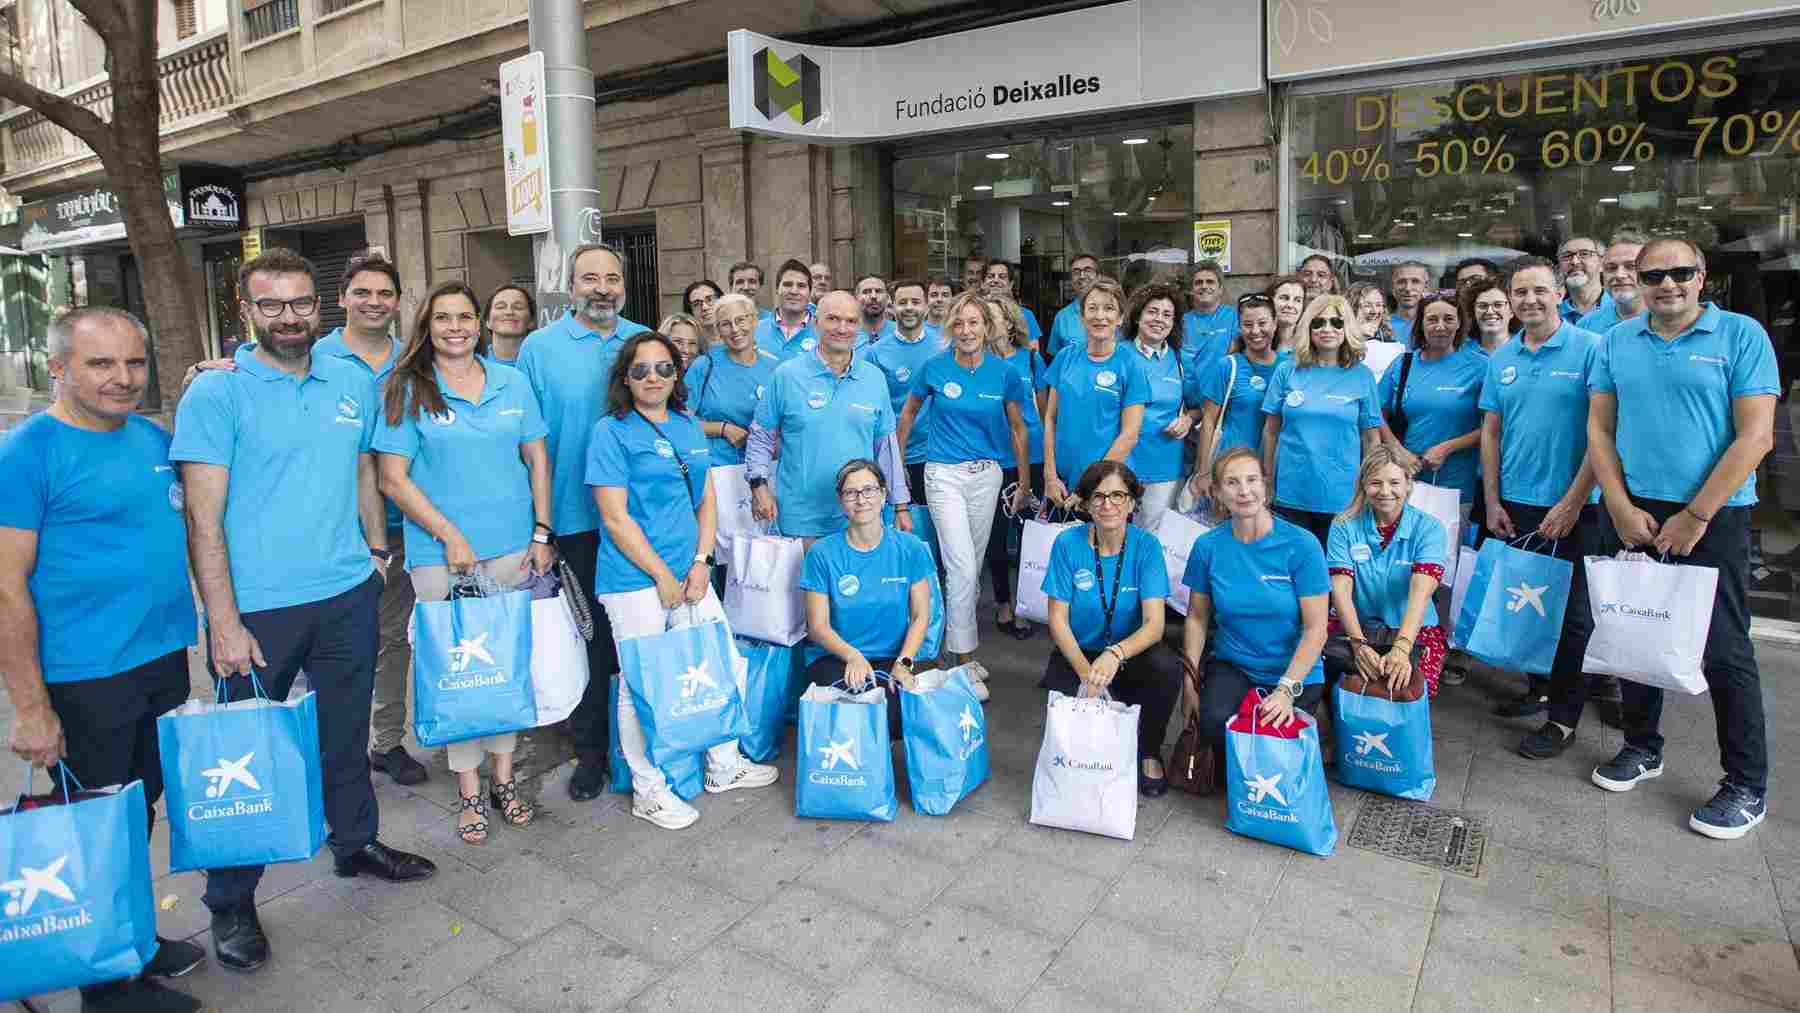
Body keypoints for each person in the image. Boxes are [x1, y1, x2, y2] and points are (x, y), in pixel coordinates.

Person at [171, 249, 436, 974]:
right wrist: (222, 621)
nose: (288, 317)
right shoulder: (216, 394)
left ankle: (355, 843)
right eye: (271, 305)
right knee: (247, 759)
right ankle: (231, 901)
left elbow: (361, 469)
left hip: (347, 590)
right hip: (258, 612)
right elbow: (202, 517)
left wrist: (376, 553)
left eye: (298, 304)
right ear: (244, 310)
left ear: (316, 308)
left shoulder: (347, 377)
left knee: (345, 736)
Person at [2, 308, 207, 1012]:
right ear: (59, 367)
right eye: (101, 364)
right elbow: (5, 586)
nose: (123, 378)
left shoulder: (151, 437)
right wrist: (30, 707)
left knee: (137, 810)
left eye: (134, 363)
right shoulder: (28, 452)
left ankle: (134, 938)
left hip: (160, 663)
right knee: (90, 824)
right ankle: (105, 984)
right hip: (85, 677)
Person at [1587, 237, 1778, 839]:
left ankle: (1746, 785)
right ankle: (1643, 745)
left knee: (1725, 650)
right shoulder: (1618, 341)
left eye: (1679, 273)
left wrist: (1696, 515)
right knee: (1635, 630)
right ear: (1637, 281)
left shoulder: (1742, 336)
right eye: (1652, 275)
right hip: (1636, 508)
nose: (1666, 285)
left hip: (1713, 514)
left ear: (1702, 277)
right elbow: (1598, 425)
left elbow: (1756, 438)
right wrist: (1617, 503)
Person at [374, 281, 552, 844]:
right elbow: (392, 478)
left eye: (465, 317)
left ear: (480, 324)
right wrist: (448, 534)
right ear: (426, 326)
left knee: (503, 669)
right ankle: (469, 791)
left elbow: (537, 459)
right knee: (462, 674)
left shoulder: (512, 378)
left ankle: (504, 780)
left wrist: (542, 530)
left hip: (511, 550)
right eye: (443, 318)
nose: (455, 327)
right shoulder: (408, 387)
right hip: (440, 559)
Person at [588, 331, 779, 829]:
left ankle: (722, 764)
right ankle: (649, 790)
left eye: (663, 368)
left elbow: (706, 501)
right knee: (641, 684)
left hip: (690, 572)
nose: (653, 378)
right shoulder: (612, 432)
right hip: (633, 580)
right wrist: (661, 577)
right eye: (641, 370)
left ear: (678, 374)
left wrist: (699, 563)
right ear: (624, 379)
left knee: (720, 663)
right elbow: (615, 517)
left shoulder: (688, 426)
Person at [516, 243, 652, 800]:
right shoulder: (540, 348)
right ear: (570, 287)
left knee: (640, 639)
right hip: (575, 520)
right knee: (591, 641)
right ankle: (591, 753)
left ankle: (647, 747)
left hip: (642, 524)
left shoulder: (642, 342)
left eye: (612, 278)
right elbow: (529, 445)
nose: (602, 288)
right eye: (590, 278)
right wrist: (540, 528)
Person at [1480, 256, 1611, 731]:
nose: (1529, 300)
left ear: (1559, 294)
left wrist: (1573, 502)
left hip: (1579, 505)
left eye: (1539, 290)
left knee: (1574, 617)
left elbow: (1604, 433)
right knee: (1527, 606)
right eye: (1520, 292)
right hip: (1517, 502)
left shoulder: (1592, 349)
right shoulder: (1502, 358)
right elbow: (1491, 434)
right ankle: (1538, 690)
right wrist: (1493, 501)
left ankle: (1564, 719)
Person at [897, 291, 1031, 679]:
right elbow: (907, 416)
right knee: (960, 566)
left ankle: (946, 644)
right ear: (949, 328)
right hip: (942, 474)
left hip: (987, 475)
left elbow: (1019, 428)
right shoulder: (934, 368)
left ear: (987, 328)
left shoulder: (1004, 373)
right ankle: (962, 660)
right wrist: (898, 468)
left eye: (974, 322)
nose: (966, 330)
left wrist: (1022, 481)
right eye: (959, 323)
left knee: (969, 569)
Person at [1041, 461, 1183, 796]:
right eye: (1099, 497)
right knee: (1067, 731)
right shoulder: (1067, 544)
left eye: (1118, 496)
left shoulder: (1146, 546)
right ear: (1087, 504)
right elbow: (1058, 620)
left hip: (1129, 652)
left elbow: (1154, 625)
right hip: (1079, 654)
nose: (1108, 505)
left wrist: (1115, 654)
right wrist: (1086, 673)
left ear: (1133, 503)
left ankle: (1149, 750)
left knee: (1166, 666)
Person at [1181, 448, 1329, 764]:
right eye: (1232, 483)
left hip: (1293, 670)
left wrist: (1286, 690)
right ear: (1218, 492)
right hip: (1235, 663)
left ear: (1265, 484)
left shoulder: (1302, 545)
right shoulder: (1207, 546)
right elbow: (1196, 617)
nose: (1244, 491)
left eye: (1252, 480)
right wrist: (1189, 681)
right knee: (1215, 724)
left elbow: (1316, 628)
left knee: (1275, 746)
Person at [749, 290, 911, 540]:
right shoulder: (786, 376)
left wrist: (899, 505)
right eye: (833, 319)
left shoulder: (874, 378)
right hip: (801, 519)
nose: (842, 328)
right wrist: (759, 486)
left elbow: (885, 448)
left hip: (862, 516)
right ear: (815, 323)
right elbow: (761, 438)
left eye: (851, 321)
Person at [800, 460, 937, 737]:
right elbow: (818, 627)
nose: (861, 499)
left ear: (884, 495)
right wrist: (853, 656)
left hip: (893, 657)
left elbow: (922, 615)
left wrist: (905, 662)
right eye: (851, 493)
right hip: (836, 658)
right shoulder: (822, 554)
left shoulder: (910, 547)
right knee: (855, 722)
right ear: (841, 501)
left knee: (902, 719)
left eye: (869, 490)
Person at [1325, 448, 1449, 696]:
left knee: (1409, 690)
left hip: (1413, 629)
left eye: (1394, 482)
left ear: (1408, 485)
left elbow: (1420, 595)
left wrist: (1402, 649)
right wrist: (1358, 644)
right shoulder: (1343, 525)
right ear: (1363, 485)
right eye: (1375, 483)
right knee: (1330, 681)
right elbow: (1340, 589)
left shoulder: (1430, 528)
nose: (1385, 491)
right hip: (1356, 627)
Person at [1261, 294, 1382, 545]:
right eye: (1318, 322)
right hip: (1290, 492)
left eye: (1336, 322)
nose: (1327, 329)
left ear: (1347, 327)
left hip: (1343, 496)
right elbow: (1271, 431)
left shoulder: (1362, 376)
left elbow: (1371, 438)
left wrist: (1369, 487)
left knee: (1336, 573)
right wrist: (1268, 479)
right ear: (1308, 328)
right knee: (1292, 569)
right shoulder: (1287, 370)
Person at [1042, 277, 1149, 510]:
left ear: (1120, 318)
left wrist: (1089, 487)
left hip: (1109, 487)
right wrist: (1050, 475)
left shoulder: (1131, 364)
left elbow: (1130, 435)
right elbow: (1050, 418)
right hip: (1061, 484)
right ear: (1082, 316)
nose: (1100, 315)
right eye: (1092, 308)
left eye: (1109, 308)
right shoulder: (1065, 358)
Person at [1378, 290, 1488, 509]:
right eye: (1432, 319)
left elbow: (1494, 426)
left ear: (1459, 324)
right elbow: (1375, 413)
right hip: (1403, 477)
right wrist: (1398, 451)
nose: (1440, 326)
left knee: (1448, 542)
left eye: (1448, 319)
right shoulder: (1403, 364)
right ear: (1421, 324)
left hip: (1456, 480)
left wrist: (1448, 447)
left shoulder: (1481, 366)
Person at [985, 296, 1048, 640]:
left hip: (1032, 454)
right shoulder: (975, 362)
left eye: (991, 317)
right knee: (995, 534)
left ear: (1009, 323)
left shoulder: (1032, 358)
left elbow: (1043, 411)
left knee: (1028, 535)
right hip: (994, 456)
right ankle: (1003, 602)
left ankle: (1024, 603)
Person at [1191, 293, 1283, 504]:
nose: (1256, 331)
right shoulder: (1228, 365)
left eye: (1262, 323)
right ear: (1240, 328)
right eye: (1248, 324)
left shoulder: (1288, 367)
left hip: (1273, 469)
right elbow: (1208, 421)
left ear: (1275, 324)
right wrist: (1204, 471)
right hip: (1230, 467)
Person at [1123, 281, 1194, 532]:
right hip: (1121, 462)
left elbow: (1198, 405)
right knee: (1115, 538)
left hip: (1165, 465)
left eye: (1167, 314)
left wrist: (1187, 419)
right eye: (1152, 311)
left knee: (1152, 539)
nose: (1159, 319)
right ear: (1137, 316)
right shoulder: (1118, 354)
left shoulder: (1180, 359)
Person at [867, 279, 947, 498]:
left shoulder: (944, 348)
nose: (909, 307)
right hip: (894, 455)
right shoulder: (875, 353)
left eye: (915, 302)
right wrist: (895, 460)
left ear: (926, 306)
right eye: (903, 302)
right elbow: (874, 409)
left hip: (939, 456)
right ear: (892, 306)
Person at [686, 293, 780, 467]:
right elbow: (679, 421)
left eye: (741, 320)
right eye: (726, 324)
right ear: (719, 331)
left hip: (765, 468)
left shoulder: (774, 368)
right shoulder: (705, 365)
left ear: (754, 321)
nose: (735, 329)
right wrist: (722, 429)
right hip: (715, 469)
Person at [1573, 234, 1647, 336]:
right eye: (1611, 268)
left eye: (1631, 266)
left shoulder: (1670, 323)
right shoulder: (1585, 327)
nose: (1619, 275)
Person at [755, 258, 819, 361]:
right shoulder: (754, 331)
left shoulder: (823, 332)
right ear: (777, 289)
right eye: (787, 285)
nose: (794, 291)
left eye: (801, 286)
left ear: (810, 292)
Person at [1182, 259, 1238, 368]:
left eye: (1210, 282)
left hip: (1222, 383)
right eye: (1198, 282)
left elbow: (1233, 357)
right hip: (1189, 384)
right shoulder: (1182, 321)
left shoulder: (1234, 316)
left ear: (1220, 289)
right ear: (1191, 290)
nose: (1204, 286)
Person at [1046, 252, 1101, 361]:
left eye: (1088, 270)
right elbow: (1054, 359)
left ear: (1098, 276)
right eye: (1076, 272)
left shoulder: (1115, 312)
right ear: (1071, 280)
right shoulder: (1062, 317)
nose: (1082, 276)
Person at [981, 259, 1042, 346]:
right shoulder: (974, 313)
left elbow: (1033, 352)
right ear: (982, 284)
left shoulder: (1025, 315)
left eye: (1002, 277)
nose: (996, 280)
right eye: (990, 276)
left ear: (1011, 284)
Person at [1557, 236, 1611, 326]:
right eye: (1566, 256)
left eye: (1584, 254)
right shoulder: (1551, 315)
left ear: (1602, 263)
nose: (1575, 262)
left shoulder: (1621, 309)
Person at [483, 284, 537, 363]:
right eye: (500, 307)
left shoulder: (541, 362)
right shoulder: (474, 363)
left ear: (531, 321)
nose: (509, 312)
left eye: (518, 307)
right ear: (487, 321)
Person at [1461, 277, 1514, 354]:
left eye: (1498, 305)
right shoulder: (1461, 350)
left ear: (1512, 310)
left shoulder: (1527, 347)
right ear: (1473, 311)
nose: (1490, 311)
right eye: (1482, 306)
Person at [1388, 261, 1431, 345]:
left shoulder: (1435, 324)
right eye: (1401, 281)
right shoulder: (1381, 325)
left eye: (1415, 281)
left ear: (1425, 287)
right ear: (1393, 286)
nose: (1408, 288)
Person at [854, 273, 896, 348]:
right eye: (866, 291)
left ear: (887, 298)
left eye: (878, 291)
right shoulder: (846, 333)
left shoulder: (900, 332)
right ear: (856, 298)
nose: (873, 296)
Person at [1266, 274, 1307, 350]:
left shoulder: (1310, 343)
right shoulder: (1257, 341)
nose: (1290, 305)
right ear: (1270, 301)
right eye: (1284, 298)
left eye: (1297, 300)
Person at [682, 279, 723, 346]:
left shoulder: (738, 337)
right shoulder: (688, 347)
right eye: (696, 304)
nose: (704, 307)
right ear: (690, 312)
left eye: (709, 299)